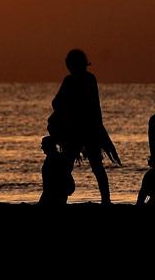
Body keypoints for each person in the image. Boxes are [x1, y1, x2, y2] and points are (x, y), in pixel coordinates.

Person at [48, 49, 119, 204]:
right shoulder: (90, 79)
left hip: (75, 130)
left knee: (68, 165)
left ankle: (60, 199)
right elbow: (96, 107)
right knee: (97, 167)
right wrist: (99, 129)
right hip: (91, 129)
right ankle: (106, 200)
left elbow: (56, 103)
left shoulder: (70, 81)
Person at [39, 136, 74, 205]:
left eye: (43, 145)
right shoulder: (54, 158)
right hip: (51, 193)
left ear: (48, 146)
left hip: (54, 194)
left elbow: (61, 178)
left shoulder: (55, 159)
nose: (41, 148)